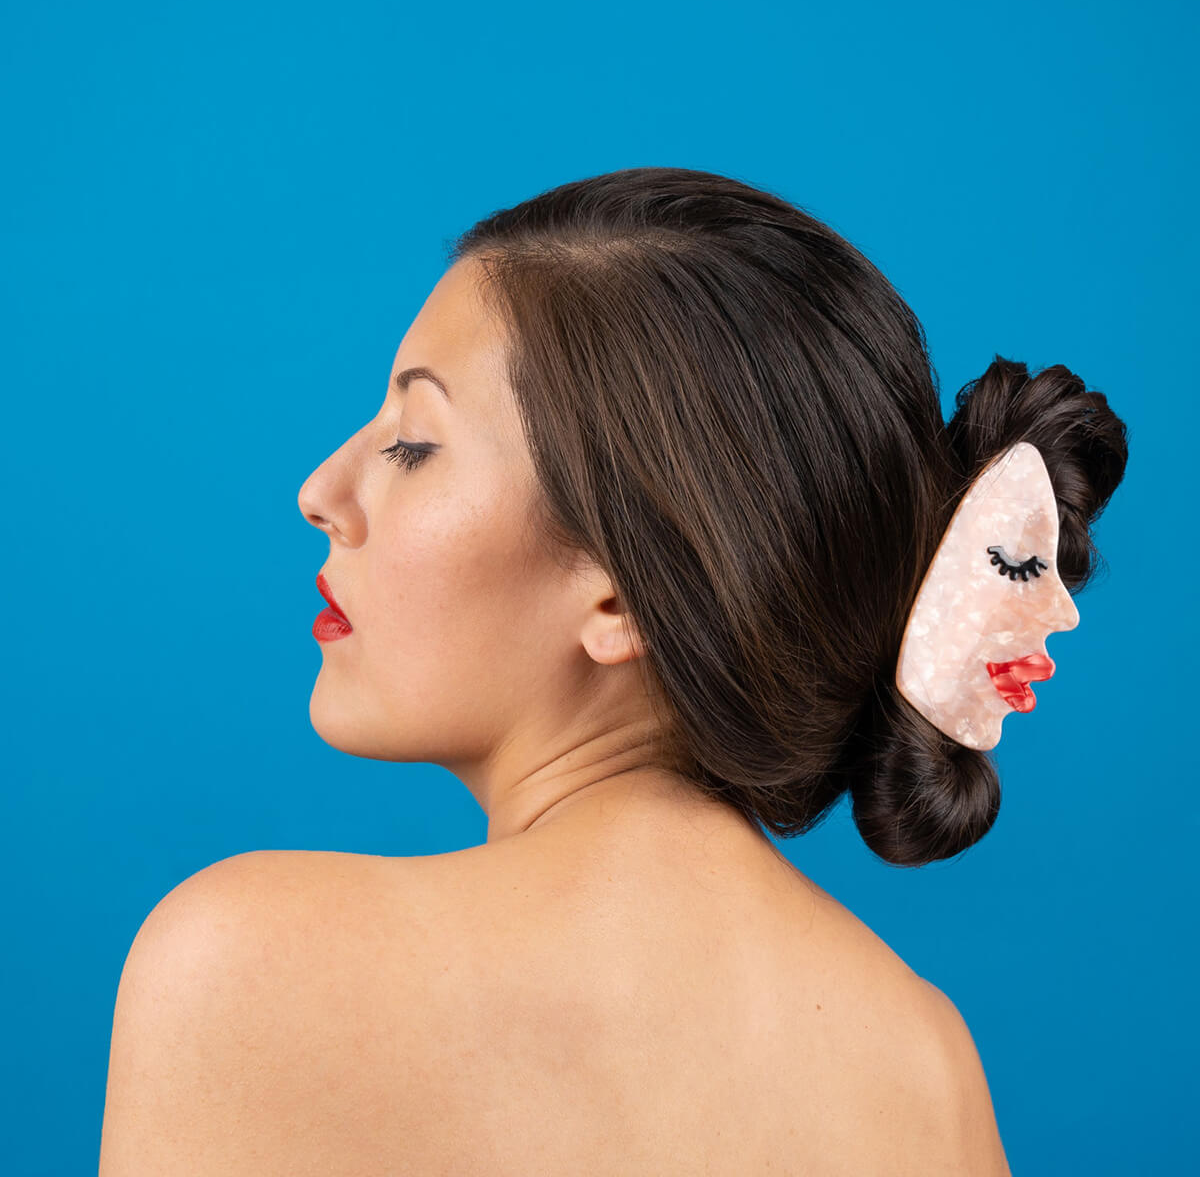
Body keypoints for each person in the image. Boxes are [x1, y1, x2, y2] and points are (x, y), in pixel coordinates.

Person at [100, 166, 1128, 1174]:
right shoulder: (927, 1065)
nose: (320, 491)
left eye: (412, 444)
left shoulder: (245, 968)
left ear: (623, 595)